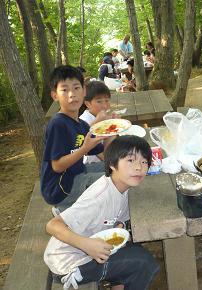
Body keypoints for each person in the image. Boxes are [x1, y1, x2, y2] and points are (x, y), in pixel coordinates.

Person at [44, 135, 160, 290]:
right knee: (144, 263)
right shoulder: (99, 198)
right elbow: (53, 225)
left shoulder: (122, 186)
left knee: (131, 247)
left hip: (89, 249)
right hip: (70, 262)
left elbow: (118, 219)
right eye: (131, 160)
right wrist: (87, 245)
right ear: (112, 164)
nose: (139, 167)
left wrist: (119, 225)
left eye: (144, 161)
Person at [41, 65, 111, 213]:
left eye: (76, 88)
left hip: (78, 172)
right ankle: (66, 208)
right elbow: (57, 166)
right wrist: (84, 149)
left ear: (84, 91)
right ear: (55, 96)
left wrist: (110, 129)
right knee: (114, 182)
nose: (72, 94)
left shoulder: (82, 124)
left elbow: (106, 156)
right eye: (64, 90)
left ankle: (76, 207)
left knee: (117, 168)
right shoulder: (58, 124)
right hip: (60, 187)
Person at [80, 81, 112, 164]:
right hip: (90, 164)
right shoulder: (84, 120)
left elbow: (107, 142)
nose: (105, 105)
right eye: (99, 101)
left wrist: (113, 126)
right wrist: (108, 163)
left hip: (105, 155)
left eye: (107, 100)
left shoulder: (104, 116)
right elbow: (81, 137)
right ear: (88, 104)